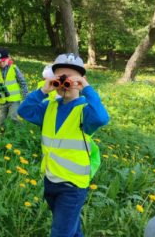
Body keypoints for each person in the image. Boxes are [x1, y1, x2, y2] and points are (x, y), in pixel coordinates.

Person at [18, 53, 109, 237]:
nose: (64, 83)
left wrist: (87, 89)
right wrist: (43, 91)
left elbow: (101, 118)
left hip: (73, 186)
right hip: (51, 180)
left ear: (81, 80)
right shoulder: (49, 107)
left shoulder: (84, 110)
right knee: (70, 228)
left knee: (60, 232)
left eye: (70, 78)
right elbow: (23, 111)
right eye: (60, 78)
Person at [0, 48, 28, 133]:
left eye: (3, 61)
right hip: (3, 100)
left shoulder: (14, 68)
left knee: (13, 117)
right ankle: (2, 137)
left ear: (8, 59)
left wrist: (26, 97)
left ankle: (21, 133)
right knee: (0, 121)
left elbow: (23, 82)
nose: (1, 63)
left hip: (14, 100)